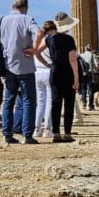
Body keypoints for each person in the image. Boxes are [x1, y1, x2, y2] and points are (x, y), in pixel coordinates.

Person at [0, 0, 39, 146]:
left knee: (8, 100)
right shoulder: (27, 19)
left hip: (7, 66)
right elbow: (39, 33)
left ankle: (7, 135)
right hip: (25, 65)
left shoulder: (1, 21)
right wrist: (34, 49)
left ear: (12, 6)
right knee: (28, 101)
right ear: (26, 7)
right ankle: (27, 135)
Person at [36, 14, 80, 142]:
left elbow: (37, 51)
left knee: (55, 103)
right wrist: (76, 78)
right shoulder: (69, 39)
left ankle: (56, 133)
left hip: (54, 72)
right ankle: (67, 134)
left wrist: (46, 64)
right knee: (69, 104)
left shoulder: (49, 38)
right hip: (67, 72)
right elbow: (72, 59)